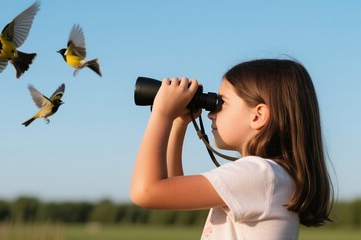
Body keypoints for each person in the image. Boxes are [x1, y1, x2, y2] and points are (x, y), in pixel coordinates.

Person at [130, 59, 333, 239]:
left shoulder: (259, 174)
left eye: (222, 102)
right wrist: (178, 123)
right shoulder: (270, 176)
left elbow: (146, 191)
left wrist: (162, 113)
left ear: (258, 116)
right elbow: (173, 190)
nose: (211, 113)